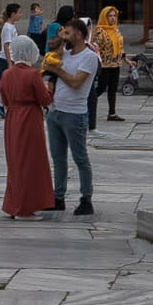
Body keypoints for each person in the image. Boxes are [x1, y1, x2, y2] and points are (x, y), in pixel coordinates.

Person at [44, 15, 98, 217]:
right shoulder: (64, 53)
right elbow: (49, 57)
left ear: (79, 34)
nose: (65, 35)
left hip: (74, 115)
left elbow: (76, 83)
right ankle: (58, 197)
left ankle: (86, 199)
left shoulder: (89, 57)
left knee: (80, 157)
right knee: (58, 157)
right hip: (55, 111)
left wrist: (56, 70)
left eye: (68, 32)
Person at [0, 36, 56, 218]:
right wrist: (49, 88)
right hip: (30, 118)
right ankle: (27, 206)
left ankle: (14, 204)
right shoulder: (32, 74)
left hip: (12, 118)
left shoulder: (7, 74)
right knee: (31, 162)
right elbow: (44, 99)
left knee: (15, 161)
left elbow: (4, 100)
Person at [90, 5, 125, 125]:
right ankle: (84, 103)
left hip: (115, 63)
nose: (112, 18)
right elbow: (94, 47)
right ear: (104, 17)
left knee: (113, 88)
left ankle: (112, 113)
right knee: (101, 87)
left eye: (114, 15)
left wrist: (126, 59)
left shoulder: (115, 29)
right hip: (104, 64)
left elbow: (120, 46)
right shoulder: (100, 31)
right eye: (110, 16)